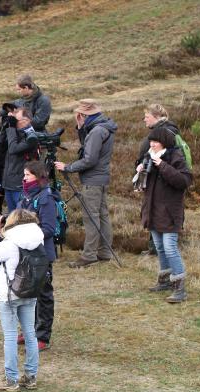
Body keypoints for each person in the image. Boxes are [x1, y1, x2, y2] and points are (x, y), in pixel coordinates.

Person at [0, 209, 44, 392]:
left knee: (10, 336)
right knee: (30, 334)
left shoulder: (10, 244)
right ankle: (30, 377)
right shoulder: (37, 240)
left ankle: (11, 379)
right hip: (30, 292)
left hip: (8, 295)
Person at [54, 99, 116, 268]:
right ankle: (104, 252)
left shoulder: (96, 131)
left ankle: (89, 255)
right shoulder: (101, 127)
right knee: (102, 216)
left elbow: (89, 159)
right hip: (100, 178)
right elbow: (88, 148)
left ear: (81, 114)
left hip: (92, 180)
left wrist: (68, 167)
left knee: (91, 218)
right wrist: (81, 128)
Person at [138, 127, 192, 302]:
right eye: (151, 141)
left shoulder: (175, 156)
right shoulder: (149, 156)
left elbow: (183, 181)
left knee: (170, 247)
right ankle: (164, 282)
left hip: (170, 211)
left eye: (155, 141)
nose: (152, 144)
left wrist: (162, 165)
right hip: (153, 210)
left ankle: (180, 288)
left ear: (165, 142)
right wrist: (139, 171)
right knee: (160, 247)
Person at [16, 161, 58, 351]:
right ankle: (28, 330)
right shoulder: (25, 196)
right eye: (24, 175)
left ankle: (42, 336)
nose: (24, 178)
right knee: (26, 293)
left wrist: (26, 234)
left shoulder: (46, 199)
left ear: (39, 177)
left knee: (42, 296)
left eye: (28, 175)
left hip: (41, 255)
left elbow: (49, 229)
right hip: (24, 252)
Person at [0, 106, 39, 211]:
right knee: (12, 218)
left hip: (21, 186)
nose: (14, 122)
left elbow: (13, 149)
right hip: (9, 185)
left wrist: (11, 128)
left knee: (22, 219)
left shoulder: (31, 137)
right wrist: (5, 127)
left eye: (16, 120)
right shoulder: (14, 133)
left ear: (26, 121)